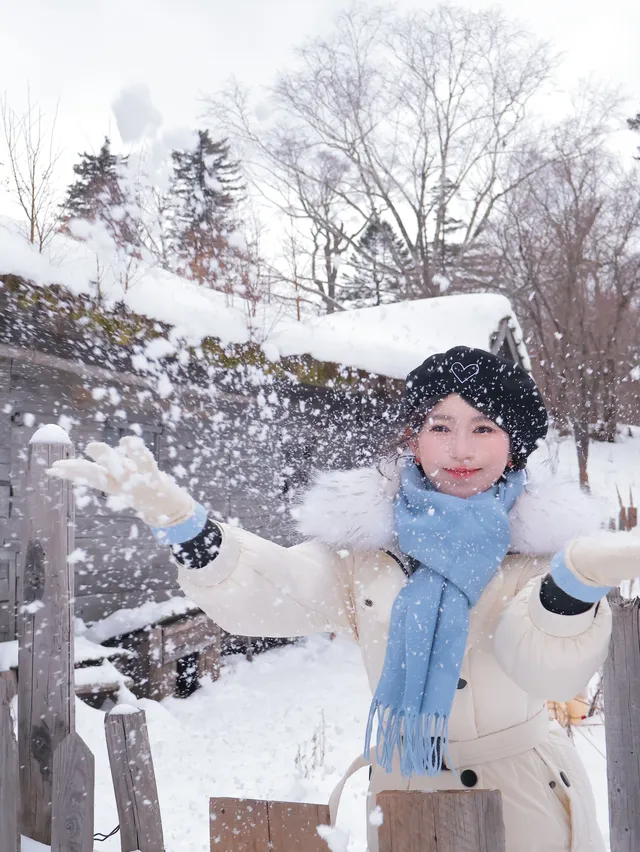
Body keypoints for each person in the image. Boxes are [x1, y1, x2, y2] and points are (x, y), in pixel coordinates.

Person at [48, 346, 640, 852]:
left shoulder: (539, 552)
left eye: (483, 428)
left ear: (515, 445)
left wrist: (570, 587)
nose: (461, 449)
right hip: (406, 797)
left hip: (524, 802)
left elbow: (543, 663)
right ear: (413, 439)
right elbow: (277, 587)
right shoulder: (367, 548)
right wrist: (186, 527)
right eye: (440, 426)